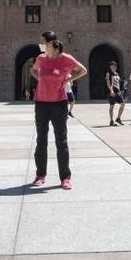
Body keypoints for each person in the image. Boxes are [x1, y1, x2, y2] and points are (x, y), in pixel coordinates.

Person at [30, 31, 87, 190]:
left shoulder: (66, 59)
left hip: (59, 103)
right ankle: (40, 174)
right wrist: (39, 79)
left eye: (43, 42)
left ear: (51, 44)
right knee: (41, 141)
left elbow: (82, 70)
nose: (41, 44)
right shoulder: (41, 58)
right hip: (41, 103)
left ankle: (65, 178)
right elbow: (33, 70)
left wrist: (68, 80)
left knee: (61, 141)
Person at [106, 61, 124, 126]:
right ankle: (111, 121)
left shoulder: (117, 74)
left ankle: (118, 118)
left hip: (118, 91)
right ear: (110, 67)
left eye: (115, 66)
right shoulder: (108, 73)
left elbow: (119, 83)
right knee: (112, 106)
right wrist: (111, 91)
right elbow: (108, 82)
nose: (114, 67)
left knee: (122, 104)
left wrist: (121, 90)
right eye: (113, 66)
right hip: (112, 91)